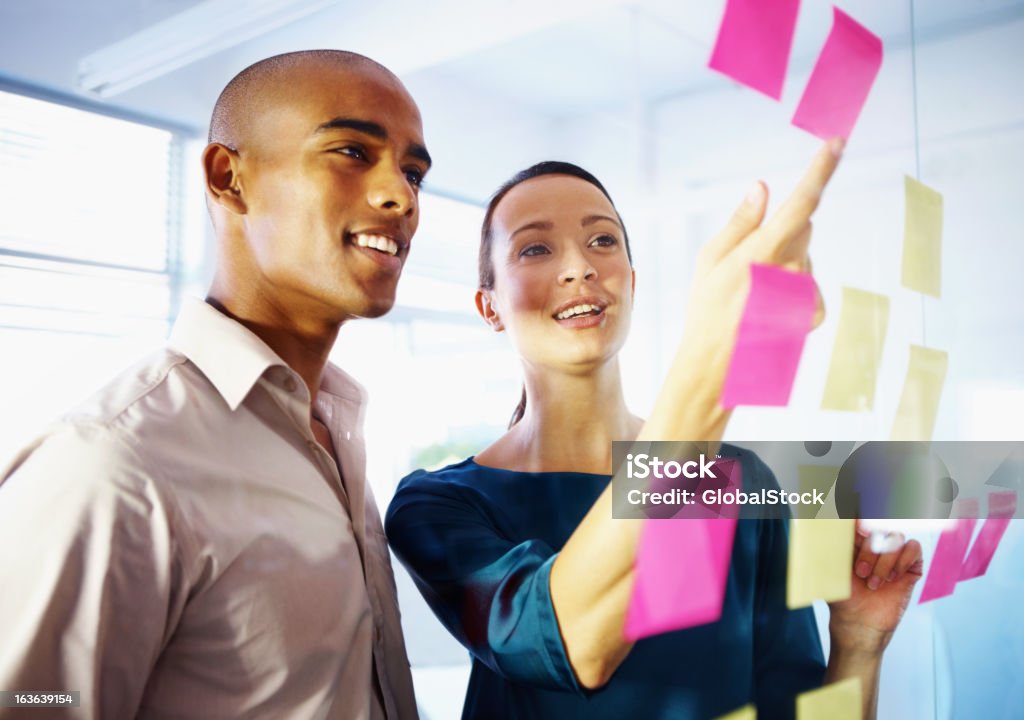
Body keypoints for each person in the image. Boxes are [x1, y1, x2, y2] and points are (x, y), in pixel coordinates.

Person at [385, 151, 924, 719]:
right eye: (536, 248)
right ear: (488, 306)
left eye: (602, 242)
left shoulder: (738, 484)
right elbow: (568, 645)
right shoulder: (438, 507)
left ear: (632, 283)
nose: (579, 267)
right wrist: (717, 360)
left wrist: (860, 643)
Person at [0, 50, 429, 718]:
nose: (401, 197)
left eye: (607, 242)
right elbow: (603, 626)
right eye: (351, 151)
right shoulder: (450, 503)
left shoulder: (334, 439)